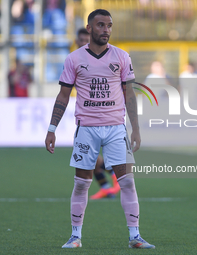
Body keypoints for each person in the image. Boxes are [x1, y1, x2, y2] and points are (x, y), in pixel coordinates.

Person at [45, 9, 155, 249]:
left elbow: (129, 95)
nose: (106, 30)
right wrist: (52, 128)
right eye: (101, 25)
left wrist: (135, 129)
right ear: (89, 28)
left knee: (127, 182)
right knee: (82, 184)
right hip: (87, 129)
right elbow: (63, 95)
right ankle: (75, 236)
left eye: (109, 25)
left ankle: (135, 236)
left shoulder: (122, 57)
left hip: (116, 128)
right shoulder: (74, 59)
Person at [74, 27, 120, 200]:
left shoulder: (105, 56)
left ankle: (115, 177)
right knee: (88, 155)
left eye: (86, 39)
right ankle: (108, 186)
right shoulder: (76, 58)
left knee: (88, 154)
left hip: (104, 112)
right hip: (86, 112)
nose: (84, 42)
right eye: (81, 40)